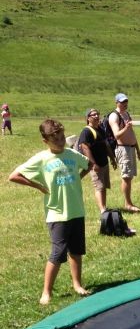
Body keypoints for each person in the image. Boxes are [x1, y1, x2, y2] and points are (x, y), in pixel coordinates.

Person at [8, 119, 91, 305]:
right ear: (45, 141)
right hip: (57, 213)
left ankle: (77, 284)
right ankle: (46, 292)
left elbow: (89, 164)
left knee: (76, 251)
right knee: (58, 252)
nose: (61, 142)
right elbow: (14, 176)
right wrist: (38, 185)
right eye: (56, 140)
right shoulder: (41, 159)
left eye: (62, 138)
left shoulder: (71, 154)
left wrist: (79, 177)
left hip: (76, 210)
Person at [78, 108, 117, 213]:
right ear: (88, 118)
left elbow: (106, 144)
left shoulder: (100, 129)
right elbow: (84, 147)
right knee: (98, 187)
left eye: (97, 114)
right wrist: (93, 164)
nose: (96, 116)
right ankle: (102, 211)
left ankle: (104, 207)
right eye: (93, 115)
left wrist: (112, 158)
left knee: (103, 186)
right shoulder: (86, 131)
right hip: (96, 165)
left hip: (104, 162)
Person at [109, 93, 140, 213]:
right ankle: (128, 204)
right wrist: (126, 128)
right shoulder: (114, 116)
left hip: (131, 148)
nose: (125, 104)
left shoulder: (126, 114)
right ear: (116, 102)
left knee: (129, 176)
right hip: (123, 149)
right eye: (122, 102)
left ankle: (128, 203)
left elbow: (132, 133)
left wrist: (137, 149)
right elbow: (116, 135)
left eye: (126, 101)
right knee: (126, 176)